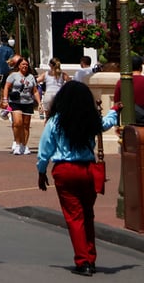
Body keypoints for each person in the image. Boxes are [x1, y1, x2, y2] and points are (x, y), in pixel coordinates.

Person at [37, 80, 120, 276]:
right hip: (88, 168)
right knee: (88, 214)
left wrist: (41, 171)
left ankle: (82, 260)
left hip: (65, 169)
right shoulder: (89, 119)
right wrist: (115, 110)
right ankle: (90, 257)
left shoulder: (56, 121)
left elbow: (44, 150)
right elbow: (105, 124)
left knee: (74, 216)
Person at [2, 57, 41, 155]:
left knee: (26, 125)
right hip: (15, 102)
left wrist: (40, 103)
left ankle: (24, 145)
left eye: (26, 65)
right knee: (17, 123)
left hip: (28, 102)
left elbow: (35, 91)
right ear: (19, 66)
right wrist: (5, 100)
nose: (25, 66)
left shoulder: (31, 77)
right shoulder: (13, 75)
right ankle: (18, 144)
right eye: (23, 64)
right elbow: (6, 87)